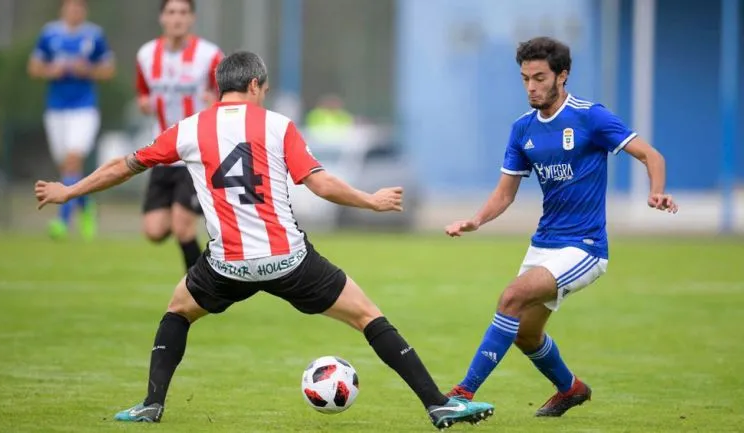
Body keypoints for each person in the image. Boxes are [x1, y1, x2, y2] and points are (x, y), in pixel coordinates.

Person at [34, 50, 494, 430]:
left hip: (227, 265)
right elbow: (320, 183)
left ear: (221, 86)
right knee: (368, 317)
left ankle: (152, 404)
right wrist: (371, 202)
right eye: (265, 88)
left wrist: (69, 190)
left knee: (177, 312)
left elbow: (124, 165)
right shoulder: (277, 126)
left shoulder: (191, 129)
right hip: (289, 260)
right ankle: (437, 403)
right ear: (255, 85)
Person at [442, 37, 678, 417]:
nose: (531, 86)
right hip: (544, 243)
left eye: (539, 77)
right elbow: (505, 193)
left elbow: (651, 155)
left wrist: (656, 192)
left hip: (584, 247)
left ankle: (461, 395)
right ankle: (571, 388)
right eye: (525, 79)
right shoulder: (522, 130)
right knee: (524, 333)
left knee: (511, 298)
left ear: (562, 76)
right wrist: (476, 220)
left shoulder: (590, 117)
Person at [136, 0, 224, 271]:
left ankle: (202, 287)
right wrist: (144, 103)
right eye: (171, 12)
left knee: (182, 225)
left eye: (183, 13)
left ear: (192, 18)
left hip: (196, 153)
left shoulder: (210, 55)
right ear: (162, 18)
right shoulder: (147, 54)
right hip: (163, 153)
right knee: (154, 230)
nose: (177, 18)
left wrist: (215, 102)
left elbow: (230, 97)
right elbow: (142, 92)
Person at [28, 0, 115, 240]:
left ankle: (62, 222)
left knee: (72, 161)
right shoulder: (50, 33)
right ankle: (86, 207)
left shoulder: (94, 35)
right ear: (63, 9)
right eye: (70, 6)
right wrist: (50, 71)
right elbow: (34, 67)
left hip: (84, 109)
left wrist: (87, 70)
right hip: (56, 109)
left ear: (84, 10)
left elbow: (108, 70)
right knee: (67, 168)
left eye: (79, 7)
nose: (74, 11)